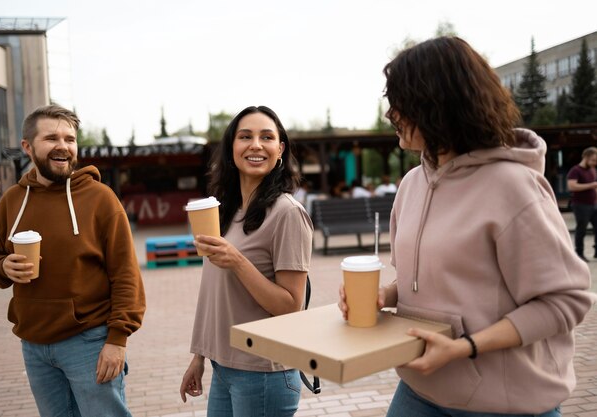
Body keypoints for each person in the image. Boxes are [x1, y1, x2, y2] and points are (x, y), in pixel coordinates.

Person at [339, 37, 596, 416]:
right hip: (417, 389)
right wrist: (384, 295)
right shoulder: (412, 184)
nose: (391, 114)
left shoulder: (514, 186)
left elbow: (565, 301)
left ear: (437, 105)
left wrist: (466, 347)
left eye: (401, 103)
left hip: (505, 404)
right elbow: (425, 280)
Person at [0, 104, 146, 417]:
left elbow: (126, 275)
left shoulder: (100, 198)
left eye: (69, 139)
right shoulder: (12, 200)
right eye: (51, 138)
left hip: (90, 342)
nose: (63, 146)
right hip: (33, 345)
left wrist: (118, 339)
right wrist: (3, 266)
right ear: (28, 147)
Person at [180, 105, 313, 416]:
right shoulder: (226, 212)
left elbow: (291, 306)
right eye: (245, 136)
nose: (256, 144)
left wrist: (238, 261)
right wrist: (200, 356)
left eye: (267, 137)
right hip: (223, 366)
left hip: (263, 373)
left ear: (279, 149)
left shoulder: (287, 214)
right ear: (231, 149)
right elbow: (213, 292)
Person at [566, 147, 597, 261]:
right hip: (580, 205)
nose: (595, 163)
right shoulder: (575, 170)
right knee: (581, 229)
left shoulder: (592, 170)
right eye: (593, 160)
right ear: (586, 157)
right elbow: (571, 186)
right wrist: (591, 185)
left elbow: (595, 186)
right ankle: (579, 253)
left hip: (593, 204)